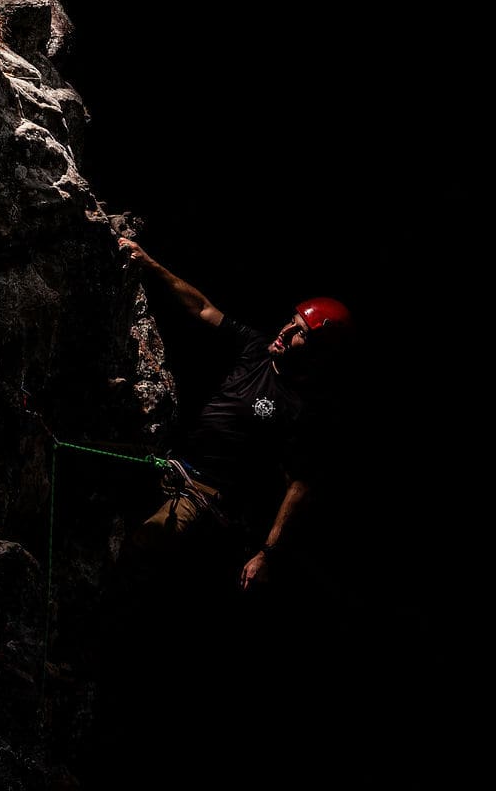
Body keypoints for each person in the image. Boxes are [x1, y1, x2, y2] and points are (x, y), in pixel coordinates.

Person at [117, 235, 355, 595]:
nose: (286, 331)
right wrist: (149, 263)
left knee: (142, 545)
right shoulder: (256, 348)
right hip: (173, 461)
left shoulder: (301, 408)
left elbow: (300, 486)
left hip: (204, 494)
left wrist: (266, 555)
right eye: (291, 321)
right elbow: (202, 309)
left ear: (318, 354)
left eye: (301, 334)